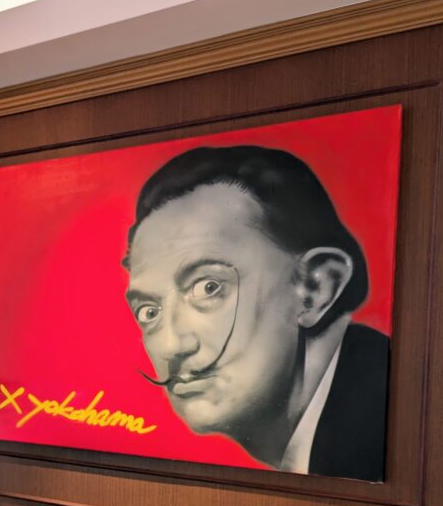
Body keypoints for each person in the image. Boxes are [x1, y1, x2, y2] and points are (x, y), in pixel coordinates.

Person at [124, 145, 389, 481]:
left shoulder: (391, 431)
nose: (170, 346)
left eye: (208, 287)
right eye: (149, 312)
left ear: (316, 288)